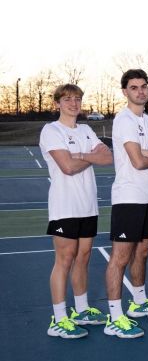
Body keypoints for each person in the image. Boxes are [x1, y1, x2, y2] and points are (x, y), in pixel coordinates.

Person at [40, 84, 112, 338]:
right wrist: (88, 155)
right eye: (67, 99)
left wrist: (80, 154)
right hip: (64, 206)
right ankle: (59, 319)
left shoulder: (86, 129)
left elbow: (107, 158)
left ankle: (81, 310)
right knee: (65, 259)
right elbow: (67, 167)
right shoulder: (51, 131)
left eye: (78, 99)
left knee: (83, 257)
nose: (73, 103)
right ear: (57, 103)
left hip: (87, 205)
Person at [103, 69, 148, 339]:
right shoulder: (124, 120)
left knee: (142, 251)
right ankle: (114, 317)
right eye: (134, 87)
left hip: (147, 196)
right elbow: (139, 162)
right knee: (120, 257)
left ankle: (139, 302)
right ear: (125, 91)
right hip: (127, 198)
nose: (140, 91)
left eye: (144, 87)